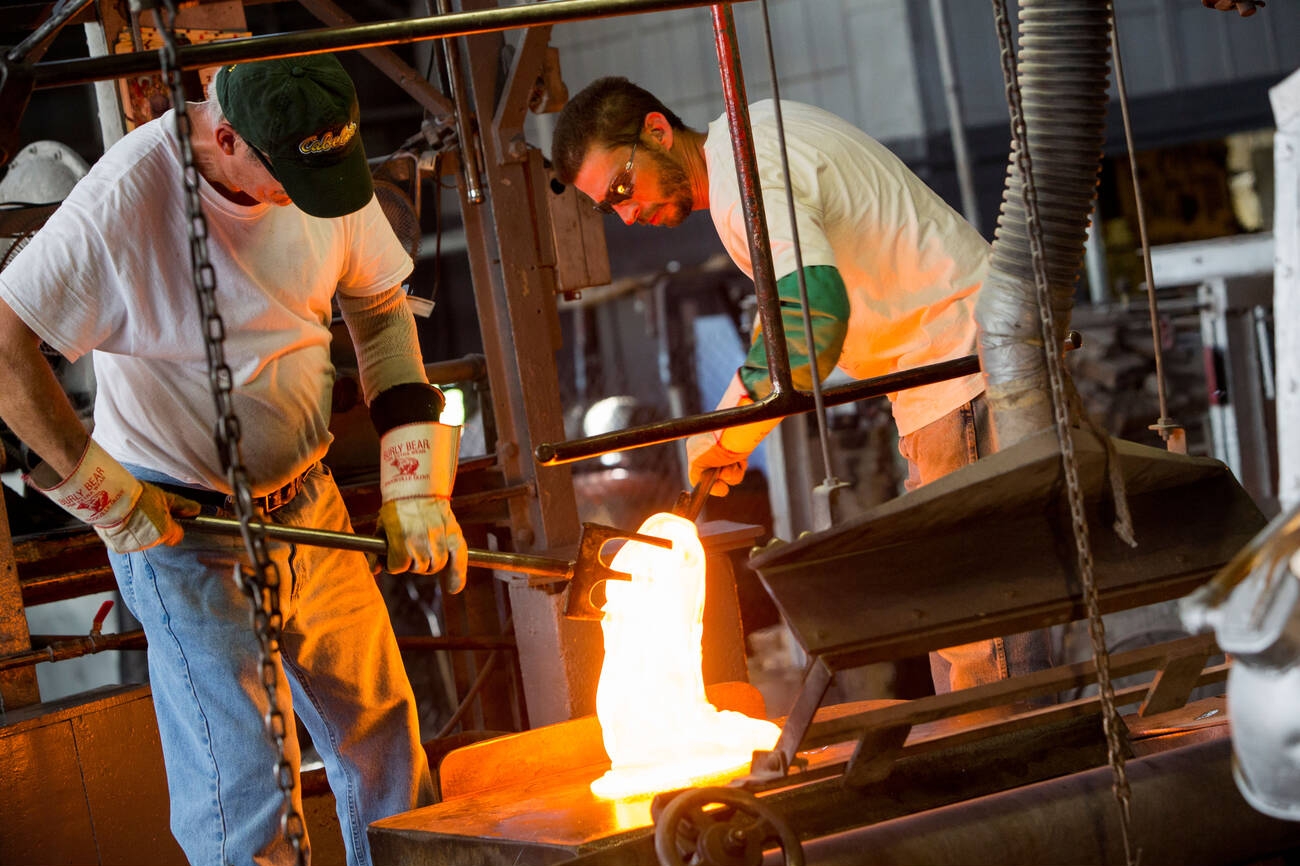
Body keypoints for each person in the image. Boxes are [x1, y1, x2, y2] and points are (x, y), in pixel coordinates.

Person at [0, 55, 467, 866]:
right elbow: (6, 351)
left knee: (387, 751)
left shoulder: (320, 171)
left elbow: (383, 313)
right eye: (288, 180)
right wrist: (99, 489)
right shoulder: (126, 201)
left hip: (311, 506)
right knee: (245, 798)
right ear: (225, 138)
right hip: (183, 537)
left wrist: (414, 484)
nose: (307, 202)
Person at [550, 76, 1052, 697]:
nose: (628, 214)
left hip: (960, 372)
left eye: (622, 187)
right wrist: (727, 419)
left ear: (657, 131)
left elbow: (811, 317)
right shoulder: (755, 132)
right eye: (609, 207)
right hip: (965, 364)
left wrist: (730, 431)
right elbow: (787, 302)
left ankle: (1021, 779)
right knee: (973, 615)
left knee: (982, 634)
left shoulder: (741, 184)